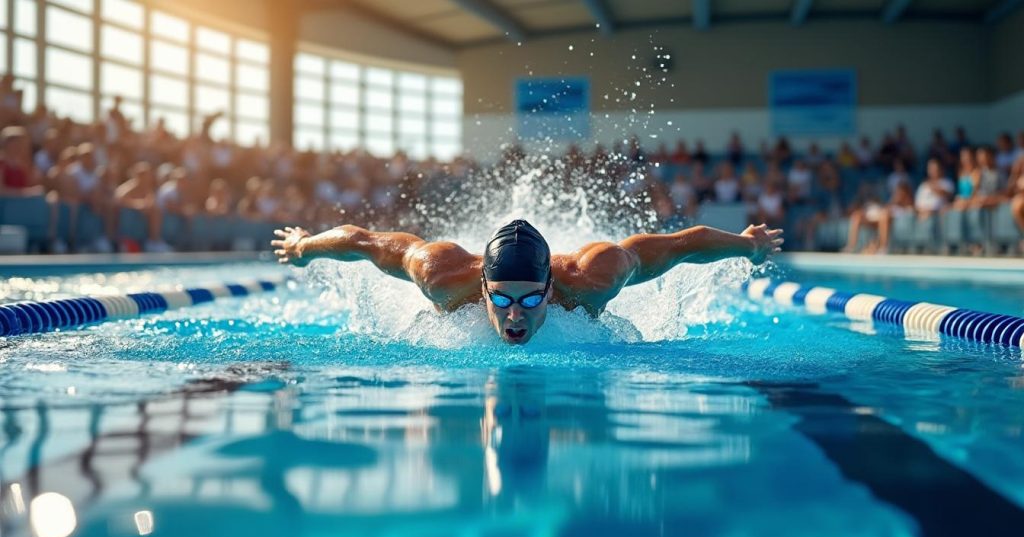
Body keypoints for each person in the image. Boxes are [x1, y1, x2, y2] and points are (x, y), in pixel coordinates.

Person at [272, 219, 783, 345]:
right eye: (501, 299)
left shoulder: (592, 277)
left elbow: (678, 245)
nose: (515, 315)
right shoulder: (443, 274)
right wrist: (301, 247)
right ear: (482, 288)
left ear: (550, 287)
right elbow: (363, 241)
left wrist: (748, 244)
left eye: (532, 298)